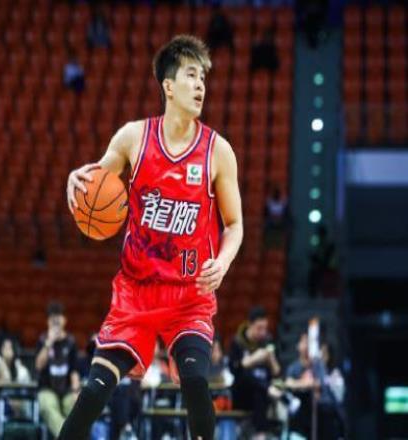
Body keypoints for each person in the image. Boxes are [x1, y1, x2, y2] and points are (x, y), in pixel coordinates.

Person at [63, 35, 243, 440]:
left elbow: (235, 225)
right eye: (191, 76)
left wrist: (223, 261)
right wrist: (76, 178)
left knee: (196, 384)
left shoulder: (218, 151)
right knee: (93, 392)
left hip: (189, 294)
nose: (200, 85)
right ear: (168, 86)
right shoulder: (133, 137)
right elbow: (97, 179)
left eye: (203, 78)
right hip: (136, 292)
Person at [229, 306, 281, 440]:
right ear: (250, 325)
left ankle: (261, 434)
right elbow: (235, 370)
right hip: (243, 394)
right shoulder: (237, 342)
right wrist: (254, 358)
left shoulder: (268, 341)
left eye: (265, 328)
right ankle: (260, 434)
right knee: (249, 379)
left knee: (261, 392)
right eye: (259, 328)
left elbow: (277, 373)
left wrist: (271, 359)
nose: (263, 332)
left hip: (262, 396)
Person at [285, 332, 342, 440]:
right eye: (304, 342)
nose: (307, 345)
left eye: (309, 342)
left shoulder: (318, 366)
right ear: (298, 346)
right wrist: (305, 384)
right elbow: (288, 384)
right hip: (301, 420)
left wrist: (302, 384)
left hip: (321, 418)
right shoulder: (293, 368)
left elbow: (319, 384)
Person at [35, 303, 80, 438]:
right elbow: (38, 366)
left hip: (67, 390)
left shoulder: (71, 342)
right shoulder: (42, 340)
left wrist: (76, 391)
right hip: (47, 389)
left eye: (58, 318)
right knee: (47, 406)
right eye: (52, 319)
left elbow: (74, 370)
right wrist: (49, 342)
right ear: (48, 321)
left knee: (77, 407)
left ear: (64, 320)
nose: (55, 322)